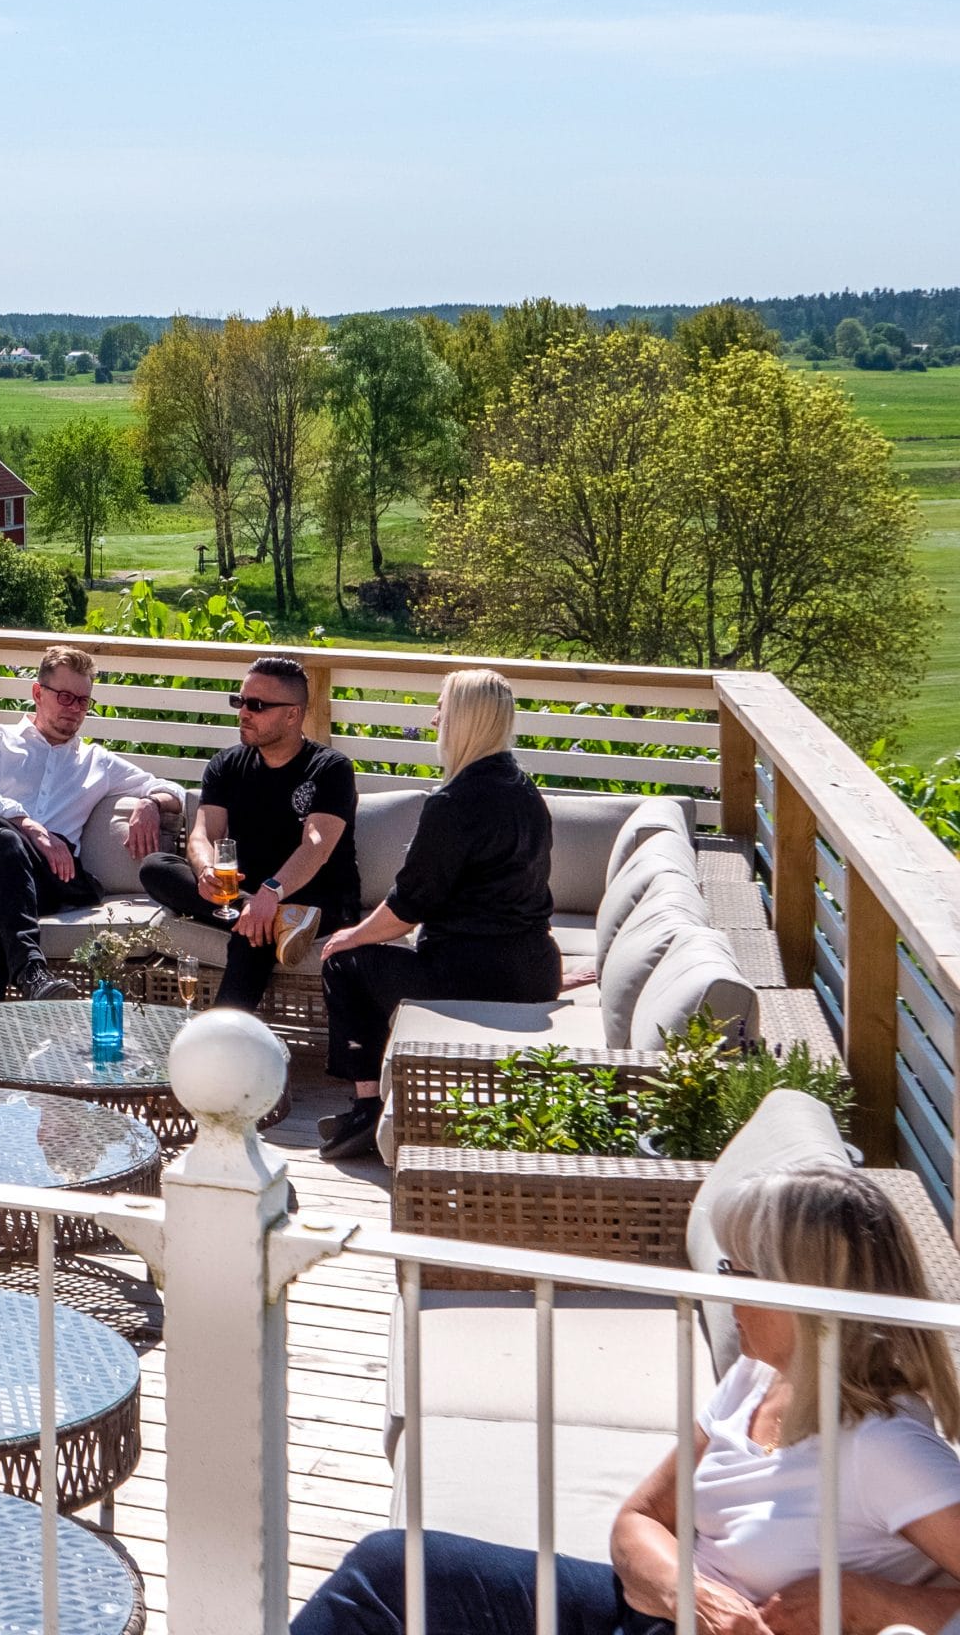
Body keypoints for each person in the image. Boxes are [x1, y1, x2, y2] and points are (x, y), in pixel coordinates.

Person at [292, 1167, 960, 1635]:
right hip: (654, 1613)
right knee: (392, 1570)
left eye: (738, 1273)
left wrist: (868, 1600)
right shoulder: (760, 1378)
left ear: (810, 1293)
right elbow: (639, 1518)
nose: (722, 1294)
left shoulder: (885, 1448)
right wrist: (686, 1592)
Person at [310, 667, 559, 1162]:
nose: (433, 718)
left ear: (463, 719)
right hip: (535, 971)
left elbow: (408, 906)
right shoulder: (526, 792)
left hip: (471, 977)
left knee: (344, 962)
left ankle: (367, 1108)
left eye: (442, 708)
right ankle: (385, 1104)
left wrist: (351, 937)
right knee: (376, 957)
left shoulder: (453, 803)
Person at [0, 645, 184, 1005]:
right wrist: (30, 826)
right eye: (64, 697)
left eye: (83, 701)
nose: (74, 709)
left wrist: (151, 803)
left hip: (50, 880)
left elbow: (174, 790)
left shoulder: (96, 762)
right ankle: (30, 975)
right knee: (0, 845)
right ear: (37, 693)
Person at [136, 655, 364, 1012]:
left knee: (250, 938)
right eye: (239, 701)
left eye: (256, 706)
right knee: (157, 868)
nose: (243, 712)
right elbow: (203, 835)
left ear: (293, 714)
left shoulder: (330, 768)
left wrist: (272, 893)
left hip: (318, 900)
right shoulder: (226, 765)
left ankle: (220, 1044)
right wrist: (207, 871)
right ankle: (266, 918)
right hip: (248, 895)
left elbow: (316, 846)